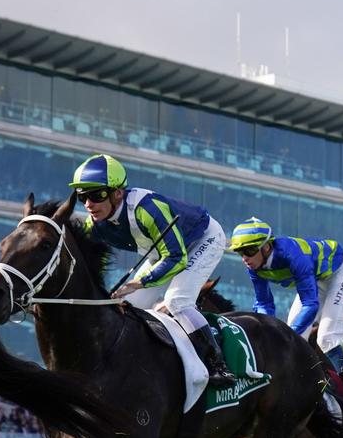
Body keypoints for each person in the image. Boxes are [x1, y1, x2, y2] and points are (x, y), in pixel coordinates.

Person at [69, 154, 235, 387]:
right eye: (82, 197)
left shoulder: (146, 209)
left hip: (202, 239)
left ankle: (218, 365)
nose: (88, 204)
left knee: (177, 301)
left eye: (96, 195)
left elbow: (177, 258)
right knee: (128, 307)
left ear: (117, 193)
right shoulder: (94, 223)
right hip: (164, 252)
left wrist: (140, 282)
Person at [227, 217, 343, 420]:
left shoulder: (292, 255)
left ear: (267, 247)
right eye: (240, 252)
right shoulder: (254, 266)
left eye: (250, 250)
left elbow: (310, 304)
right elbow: (264, 304)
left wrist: (285, 336)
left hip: (340, 273)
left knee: (327, 339)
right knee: (294, 341)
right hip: (316, 279)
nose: (245, 257)